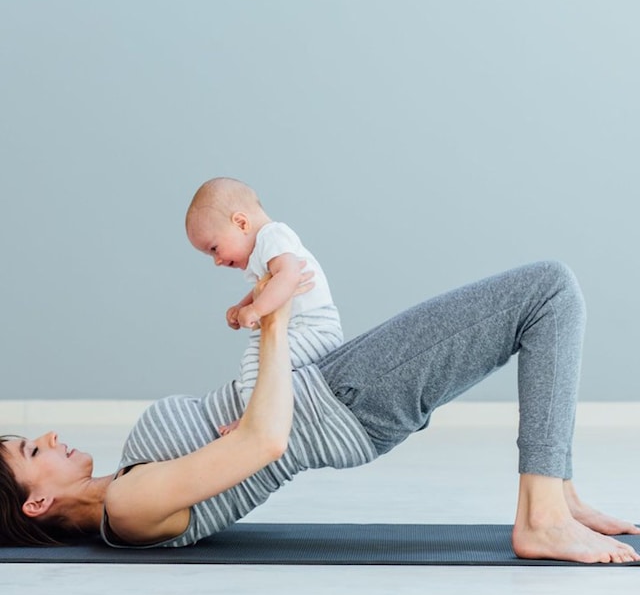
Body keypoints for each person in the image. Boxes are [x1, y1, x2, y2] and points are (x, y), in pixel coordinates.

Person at [1, 260, 639, 563]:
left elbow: (244, 439)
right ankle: (541, 517)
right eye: (32, 451)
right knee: (549, 292)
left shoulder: (125, 483)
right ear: (36, 503)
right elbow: (266, 440)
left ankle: (557, 492)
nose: (48, 437)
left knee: (545, 299)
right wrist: (273, 320)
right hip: (348, 402)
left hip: (334, 385)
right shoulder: (128, 508)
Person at [185, 177, 343, 416]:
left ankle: (255, 420)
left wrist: (256, 310)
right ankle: (266, 417)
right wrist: (242, 306)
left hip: (314, 329)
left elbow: (288, 276)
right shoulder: (264, 251)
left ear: (240, 223)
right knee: (264, 367)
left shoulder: (273, 235)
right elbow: (267, 285)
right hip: (301, 330)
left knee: (258, 365)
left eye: (214, 249)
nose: (217, 261)